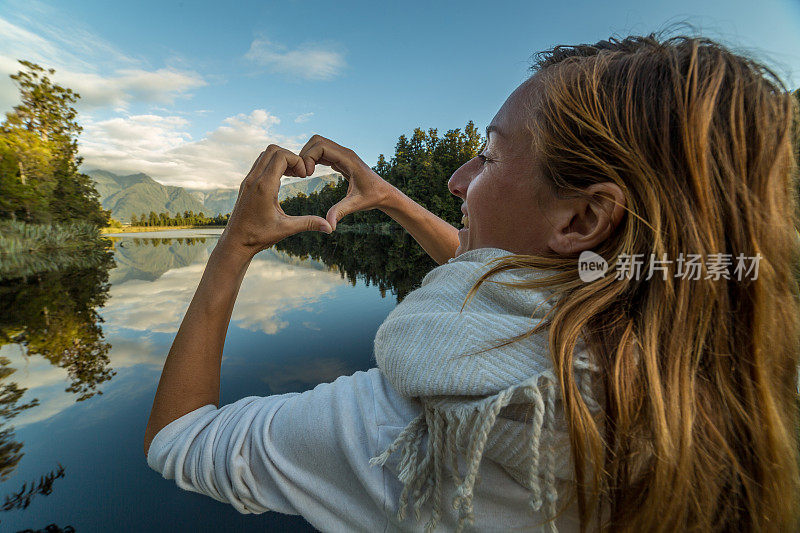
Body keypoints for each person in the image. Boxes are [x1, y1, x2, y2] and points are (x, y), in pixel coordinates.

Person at [144, 31, 800, 532]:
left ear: (584, 218)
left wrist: (237, 244)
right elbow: (497, 266)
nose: (459, 179)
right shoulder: (738, 361)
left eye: (487, 154)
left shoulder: (421, 423)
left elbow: (178, 439)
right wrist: (393, 198)